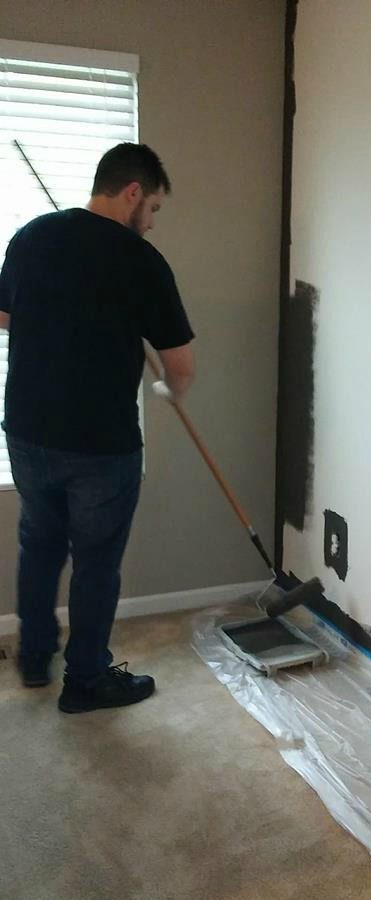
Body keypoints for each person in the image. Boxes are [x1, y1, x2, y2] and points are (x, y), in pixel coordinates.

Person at [0, 143, 195, 713]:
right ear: (132, 192)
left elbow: (6, 315)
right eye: (154, 207)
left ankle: (35, 658)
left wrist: (59, 322)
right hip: (100, 446)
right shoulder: (140, 261)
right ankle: (85, 682)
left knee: (39, 544)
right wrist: (166, 391)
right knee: (96, 563)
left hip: (28, 430)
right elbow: (180, 367)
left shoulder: (32, 235)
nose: (152, 220)